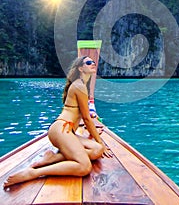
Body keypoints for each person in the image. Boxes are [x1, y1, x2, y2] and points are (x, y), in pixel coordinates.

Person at [4, 56, 112, 189]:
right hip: (62, 129)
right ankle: (34, 173)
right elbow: (87, 118)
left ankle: (52, 159)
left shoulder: (81, 85)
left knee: (97, 150)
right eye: (89, 62)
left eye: (94, 62)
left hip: (66, 130)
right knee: (84, 167)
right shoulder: (79, 86)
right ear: (80, 68)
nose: (93, 64)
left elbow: (83, 118)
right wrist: (100, 140)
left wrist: (98, 140)